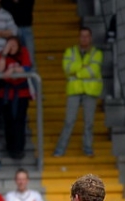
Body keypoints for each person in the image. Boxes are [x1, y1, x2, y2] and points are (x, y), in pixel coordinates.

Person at [53, 27, 102, 158]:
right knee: (69, 121)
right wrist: (84, 68)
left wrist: (77, 71)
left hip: (90, 91)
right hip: (74, 90)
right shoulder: (70, 51)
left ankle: (88, 148)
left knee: (89, 122)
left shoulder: (97, 53)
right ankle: (60, 149)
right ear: (78, 37)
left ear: (90, 38)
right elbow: (67, 68)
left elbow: (94, 70)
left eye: (87, 36)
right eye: (82, 36)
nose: (84, 38)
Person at [0, 36, 32, 160]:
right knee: (8, 121)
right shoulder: (1, 54)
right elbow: (0, 69)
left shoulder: (24, 52)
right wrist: (5, 53)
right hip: (6, 94)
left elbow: (27, 67)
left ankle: (19, 148)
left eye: (14, 45)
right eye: (9, 45)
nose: (12, 47)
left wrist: (13, 70)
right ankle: (10, 147)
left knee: (19, 121)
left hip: (21, 94)